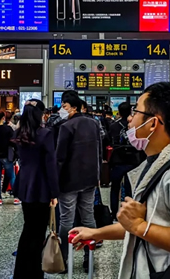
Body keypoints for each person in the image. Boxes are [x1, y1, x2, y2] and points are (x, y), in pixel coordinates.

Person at [70, 82, 170, 279]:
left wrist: (139, 226)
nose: (130, 119)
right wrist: (95, 233)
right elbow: (143, 225)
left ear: (152, 123)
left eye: (136, 111)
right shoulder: (157, 163)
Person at [12, 99, 59, 279]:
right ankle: (34, 273)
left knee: (28, 228)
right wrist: (54, 192)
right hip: (41, 185)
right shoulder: (45, 134)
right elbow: (50, 164)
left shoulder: (19, 132)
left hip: (25, 183)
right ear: (40, 114)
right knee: (39, 231)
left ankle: (21, 272)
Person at [56, 91, 101, 270]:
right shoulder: (94, 124)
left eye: (65, 106)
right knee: (88, 216)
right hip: (89, 178)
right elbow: (99, 152)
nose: (62, 110)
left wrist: (55, 180)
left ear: (74, 107)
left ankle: (64, 259)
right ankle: (89, 259)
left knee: (67, 219)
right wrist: (97, 176)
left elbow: (60, 157)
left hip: (69, 179)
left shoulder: (66, 127)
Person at [108, 102, 144, 218]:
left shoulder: (114, 126)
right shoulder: (134, 125)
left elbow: (108, 141)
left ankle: (114, 213)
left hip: (117, 160)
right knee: (131, 189)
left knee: (115, 187)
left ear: (118, 112)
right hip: (133, 160)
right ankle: (129, 213)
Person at [0, 110, 18, 206]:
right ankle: (16, 197)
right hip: (6, 155)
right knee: (11, 176)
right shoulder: (8, 129)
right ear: (3, 118)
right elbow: (14, 141)